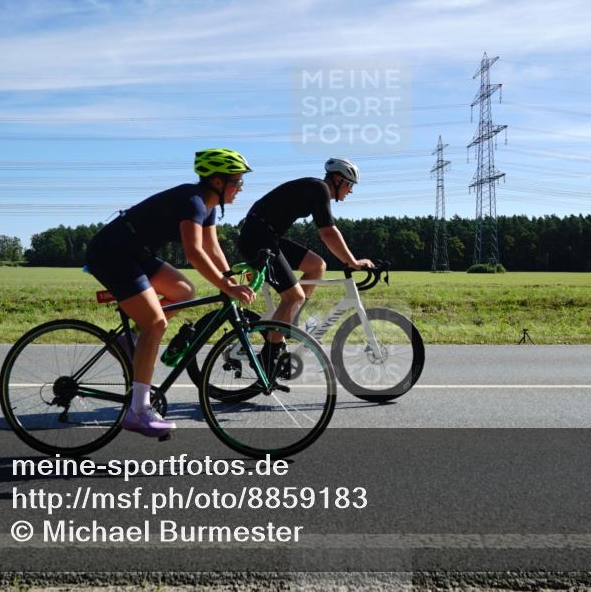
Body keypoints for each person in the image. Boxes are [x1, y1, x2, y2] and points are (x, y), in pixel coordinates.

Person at [85, 148, 256, 438]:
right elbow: (194, 253)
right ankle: (138, 411)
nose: (241, 188)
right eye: (237, 181)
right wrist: (227, 287)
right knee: (157, 323)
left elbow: (212, 248)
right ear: (217, 181)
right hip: (111, 253)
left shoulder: (209, 206)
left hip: (136, 252)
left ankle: (133, 341)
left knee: (184, 290)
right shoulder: (192, 201)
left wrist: (229, 278)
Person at [236, 157, 374, 366]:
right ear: (336, 179)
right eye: (349, 184)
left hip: (266, 236)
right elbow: (328, 233)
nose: (350, 190)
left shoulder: (316, 190)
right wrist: (352, 261)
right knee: (293, 297)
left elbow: (327, 231)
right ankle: (269, 358)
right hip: (258, 240)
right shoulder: (319, 189)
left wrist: (349, 260)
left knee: (317, 266)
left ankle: (287, 322)